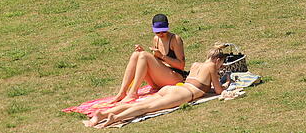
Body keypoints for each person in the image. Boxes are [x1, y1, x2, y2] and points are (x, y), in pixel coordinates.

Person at [84, 42, 228, 128]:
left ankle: (102, 114)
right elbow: (218, 90)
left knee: (143, 103)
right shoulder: (211, 67)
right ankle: (115, 118)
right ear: (217, 60)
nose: (220, 67)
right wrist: (226, 84)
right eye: (220, 64)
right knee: (146, 108)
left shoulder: (196, 64)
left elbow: (201, 86)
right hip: (183, 94)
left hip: (172, 89)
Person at [105, 14, 187, 104]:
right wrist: (144, 54)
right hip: (160, 79)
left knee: (144, 55)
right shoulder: (156, 39)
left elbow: (181, 65)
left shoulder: (175, 39)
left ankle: (133, 92)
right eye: (157, 32)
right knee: (136, 55)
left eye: (163, 31)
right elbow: (157, 62)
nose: (161, 34)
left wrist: (162, 56)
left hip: (175, 78)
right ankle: (122, 92)